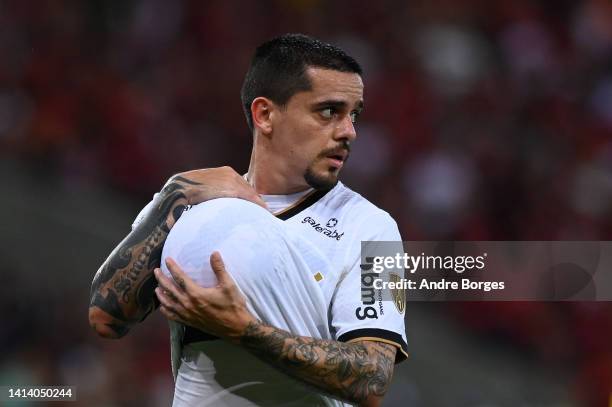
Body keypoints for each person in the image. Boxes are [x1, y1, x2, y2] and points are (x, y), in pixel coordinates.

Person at [89, 33, 407, 407]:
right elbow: (106, 318)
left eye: (354, 114)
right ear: (266, 114)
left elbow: (372, 379)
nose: (348, 132)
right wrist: (173, 194)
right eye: (328, 112)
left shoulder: (372, 228)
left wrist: (244, 330)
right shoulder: (192, 203)